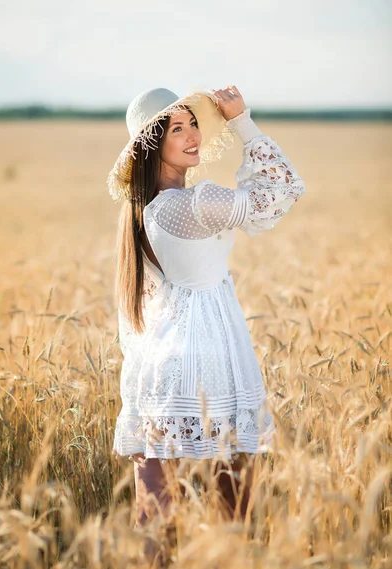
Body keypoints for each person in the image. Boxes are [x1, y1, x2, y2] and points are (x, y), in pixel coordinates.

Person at [107, 85, 306, 532]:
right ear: (153, 145)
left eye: (194, 123)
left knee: (153, 515)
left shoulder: (146, 211)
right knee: (234, 515)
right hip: (215, 364)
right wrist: (241, 121)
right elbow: (285, 188)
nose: (193, 134)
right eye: (177, 128)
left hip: (164, 369)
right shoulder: (196, 203)